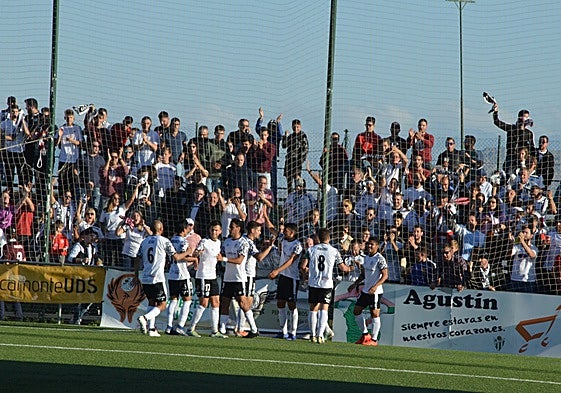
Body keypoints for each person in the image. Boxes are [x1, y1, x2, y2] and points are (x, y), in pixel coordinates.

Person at [137, 220, 190, 337]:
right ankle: (145, 318)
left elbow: (137, 258)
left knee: (152, 301)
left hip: (145, 277)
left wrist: (136, 274)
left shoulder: (144, 241)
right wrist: (188, 252)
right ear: (161, 229)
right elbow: (176, 257)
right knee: (162, 304)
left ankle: (151, 329)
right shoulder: (165, 241)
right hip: (157, 278)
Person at [301, 228, 349, 343]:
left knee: (313, 309)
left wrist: (307, 274)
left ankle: (312, 334)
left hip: (313, 282)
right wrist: (350, 268)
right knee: (324, 309)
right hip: (326, 283)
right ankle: (320, 335)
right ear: (329, 238)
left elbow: (303, 267)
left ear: (318, 238)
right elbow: (343, 268)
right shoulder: (334, 251)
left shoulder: (311, 250)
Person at [218, 219, 259, 338]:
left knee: (243, 303)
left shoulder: (243, 243)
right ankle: (222, 329)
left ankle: (254, 328)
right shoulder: (226, 242)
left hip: (239, 278)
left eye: (232, 227)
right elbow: (220, 254)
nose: (230, 229)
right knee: (225, 302)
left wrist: (224, 259)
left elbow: (240, 260)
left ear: (238, 228)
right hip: (227, 278)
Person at [237, 221, 276, 337]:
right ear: (252, 230)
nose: (259, 233)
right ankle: (242, 329)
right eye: (258, 230)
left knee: (243, 302)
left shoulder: (243, 239)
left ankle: (241, 328)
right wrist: (270, 246)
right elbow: (259, 257)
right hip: (247, 275)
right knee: (245, 303)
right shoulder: (248, 242)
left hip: (243, 274)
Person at [348, 238, 388, 346]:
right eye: (369, 244)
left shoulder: (380, 259)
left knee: (375, 314)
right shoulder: (366, 258)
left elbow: (385, 275)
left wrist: (375, 286)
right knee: (356, 310)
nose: (370, 246)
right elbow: (363, 274)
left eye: (372, 245)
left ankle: (374, 340)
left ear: (377, 246)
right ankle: (365, 334)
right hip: (366, 291)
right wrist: (355, 284)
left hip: (375, 292)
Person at [189, 221, 225, 337]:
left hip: (213, 276)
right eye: (212, 230)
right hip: (203, 276)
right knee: (204, 303)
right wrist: (197, 253)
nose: (214, 232)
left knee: (216, 302)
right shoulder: (204, 242)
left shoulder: (219, 243)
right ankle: (191, 328)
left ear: (220, 231)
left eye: (216, 230)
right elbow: (195, 254)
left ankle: (215, 331)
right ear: (209, 230)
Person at [268, 222, 303, 340]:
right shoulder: (283, 239)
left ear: (292, 233)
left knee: (292, 305)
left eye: (286, 230)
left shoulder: (297, 245)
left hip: (292, 277)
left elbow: (291, 261)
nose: (284, 232)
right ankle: (283, 332)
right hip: (282, 276)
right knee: (280, 303)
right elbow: (272, 229)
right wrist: (265, 215)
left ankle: (293, 332)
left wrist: (277, 270)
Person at [165, 221, 198, 336]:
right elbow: (183, 257)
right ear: (184, 230)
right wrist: (193, 258)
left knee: (173, 300)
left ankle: (169, 326)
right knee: (187, 300)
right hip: (182, 274)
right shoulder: (183, 242)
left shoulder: (170, 241)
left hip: (172, 274)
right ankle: (180, 326)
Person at [492, 103, 535, 175]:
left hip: (522, 159)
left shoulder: (529, 133)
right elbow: (497, 122)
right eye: (524, 117)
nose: (526, 119)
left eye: (527, 117)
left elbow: (531, 147)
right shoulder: (511, 129)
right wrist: (495, 111)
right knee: (506, 175)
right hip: (510, 157)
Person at [1, 104, 30, 191]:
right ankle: (9, 195)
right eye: (13, 112)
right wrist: (8, 137)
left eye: (16, 112)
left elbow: (27, 134)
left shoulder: (21, 124)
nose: (15, 113)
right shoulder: (4, 123)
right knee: (9, 175)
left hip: (19, 152)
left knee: (21, 175)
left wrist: (23, 121)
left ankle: (22, 194)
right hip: (9, 151)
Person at [56, 109, 83, 195]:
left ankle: (72, 202)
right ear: (65, 118)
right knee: (62, 182)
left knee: (73, 183)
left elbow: (80, 143)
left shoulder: (77, 128)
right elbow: (56, 144)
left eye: (71, 118)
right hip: (63, 159)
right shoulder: (62, 128)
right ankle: (62, 200)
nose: (69, 119)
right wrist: (60, 136)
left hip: (74, 160)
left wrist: (72, 141)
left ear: (73, 118)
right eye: (67, 118)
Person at [282, 119, 309, 193]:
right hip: (289, 161)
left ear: (300, 127)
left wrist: (300, 160)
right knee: (289, 181)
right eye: (294, 127)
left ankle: (299, 195)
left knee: (297, 180)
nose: (296, 129)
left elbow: (305, 149)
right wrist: (285, 136)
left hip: (297, 162)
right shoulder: (291, 136)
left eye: (297, 127)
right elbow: (284, 145)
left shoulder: (302, 136)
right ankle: (290, 196)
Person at [509, 225, 538, 293]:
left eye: (526, 233)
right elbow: (509, 254)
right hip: (515, 279)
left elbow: (532, 255)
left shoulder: (534, 248)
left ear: (531, 236)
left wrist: (522, 241)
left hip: (529, 281)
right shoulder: (517, 247)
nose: (524, 234)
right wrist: (511, 243)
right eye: (523, 232)